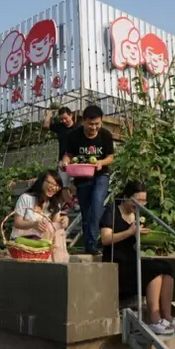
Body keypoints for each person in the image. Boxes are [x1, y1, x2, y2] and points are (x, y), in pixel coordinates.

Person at [100, 181, 175, 335]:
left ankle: (167, 315)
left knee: (168, 266)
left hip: (132, 260)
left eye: (143, 201)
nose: (140, 204)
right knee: (154, 270)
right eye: (137, 200)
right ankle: (154, 318)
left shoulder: (137, 214)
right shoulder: (112, 211)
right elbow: (105, 239)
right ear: (126, 197)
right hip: (118, 264)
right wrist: (130, 232)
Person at [62, 104, 115, 255]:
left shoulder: (105, 135)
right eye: (91, 124)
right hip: (81, 177)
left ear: (101, 121)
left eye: (97, 124)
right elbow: (68, 154)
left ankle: (93, 243)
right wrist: (65, 162)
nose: (94, 127)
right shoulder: (74, 135)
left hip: (100, 175)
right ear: (83, 121)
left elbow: (111, 157)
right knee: (86, 213)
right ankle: (89, 246)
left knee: (97, 204)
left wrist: (101, 163)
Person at [10, 170, 69, 240]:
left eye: (57, 186)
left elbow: (55, 225)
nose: (53, 188)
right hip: (22, 239)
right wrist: (33, 224)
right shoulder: (26, 198)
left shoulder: (55, 203)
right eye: (51, 183)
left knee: (59, 231)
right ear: (41, 182)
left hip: (42, 242)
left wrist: (64, 220)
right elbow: (17, 223)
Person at [43, 106, 80, 206]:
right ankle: (71, 205)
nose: (64, 121)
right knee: (63, 185)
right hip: (62, 160)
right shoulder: (60, 127)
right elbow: (46, 126)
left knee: (75, 183)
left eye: (65, 118)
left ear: (71, 115)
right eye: (61, 119)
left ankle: (77, 202)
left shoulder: (78, 128)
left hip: (75, 160)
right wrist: (49, 113)